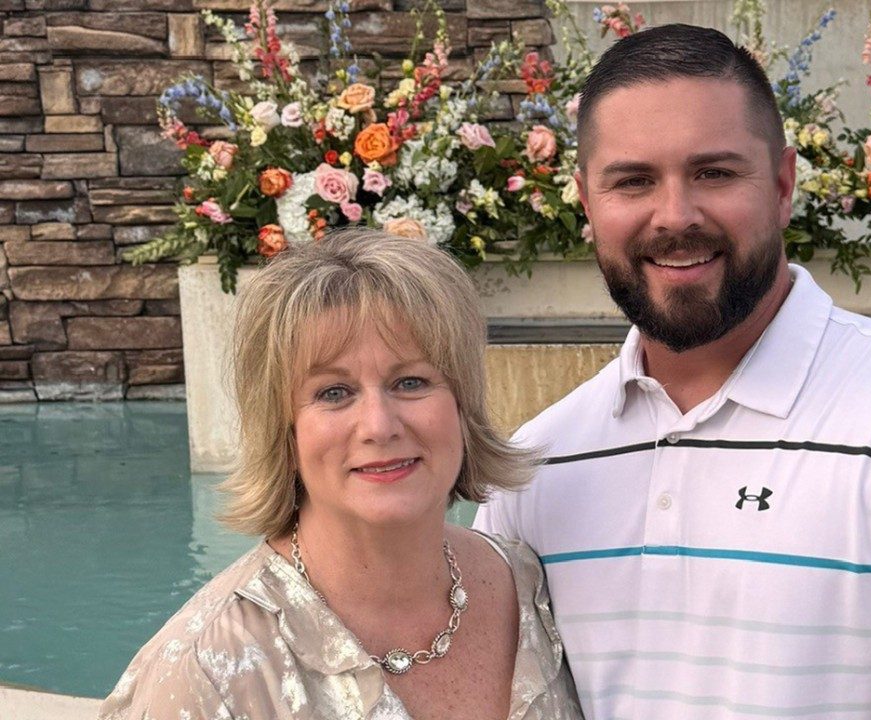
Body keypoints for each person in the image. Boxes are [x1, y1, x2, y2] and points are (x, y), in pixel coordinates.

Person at [474, 23, 871, 720]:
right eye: (633, 181)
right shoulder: (535, 468)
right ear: (586, 203)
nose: (675, 216)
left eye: (714, 173)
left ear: (783, 185)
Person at [100, 228, 583, 720]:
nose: (379, 425)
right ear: (284, 431)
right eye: (333, 392)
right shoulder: (207, 673)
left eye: (410, 382)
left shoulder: (527, 584)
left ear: (462, 405)